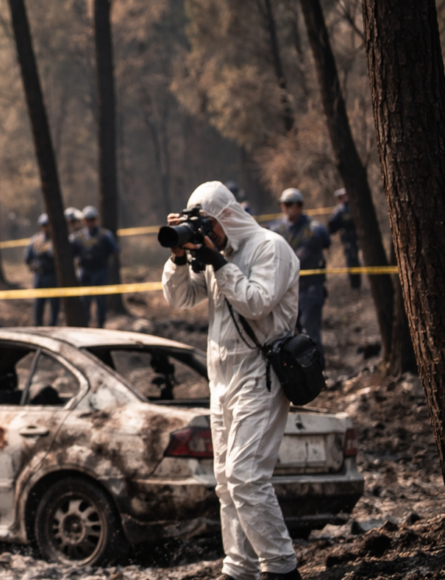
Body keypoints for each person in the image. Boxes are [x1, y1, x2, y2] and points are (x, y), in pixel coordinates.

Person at [162, 181, 302, 580]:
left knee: (246, 477)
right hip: (221, 380)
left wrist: (219, 264)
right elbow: (180, 299)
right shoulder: (214, 254)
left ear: (227, 216)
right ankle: (238, 567)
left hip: (261, 376)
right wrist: (178, 257)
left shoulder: (269, 248)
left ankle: (280, 568)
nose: (206, 235)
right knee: (226, 483)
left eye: (208, 225)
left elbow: (256, 302)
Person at [267, 188, 330, 352]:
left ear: (299, 206)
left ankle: (319, 372)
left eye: (288, 204)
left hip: (310, 289)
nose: (285, 208)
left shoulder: (313, 229)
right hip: (287, 292)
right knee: (290, 336)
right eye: (283, 204)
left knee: (311, 333)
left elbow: (324, 240)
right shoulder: (276, 229)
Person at [71, 205, 119, 327]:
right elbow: (70, 253)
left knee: (101, 302)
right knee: (84, 302)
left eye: (92, 219)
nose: (90, 222)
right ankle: (85, 326)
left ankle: (100, 326)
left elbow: (114, 250)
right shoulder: (77, 237)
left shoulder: (105, 235)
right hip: (84, 272)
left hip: (100, 271)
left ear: (96, 219)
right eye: (87, 219)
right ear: (83, 221)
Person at [24, 213, 59, 326]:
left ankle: (53, 327)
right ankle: (37, 327)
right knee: (38, 304)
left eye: (47, 225)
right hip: (39, 276)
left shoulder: (57, 240)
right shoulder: (35, 241)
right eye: (43, 225)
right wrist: (32, 266)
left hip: (53, 275)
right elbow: (27, 257)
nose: (46, 227)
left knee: (54, 304)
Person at [327, 188, 361, 290]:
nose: (343, 199)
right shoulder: (339, 210)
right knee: (350, 259)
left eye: (344, 196)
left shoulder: (353, 207)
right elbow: (332, 225)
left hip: (356, 237)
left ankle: (356, 283)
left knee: (354, 259)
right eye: (340, 197)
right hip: (346, 239)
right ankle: (354, 284)